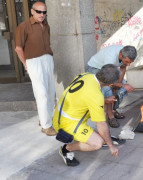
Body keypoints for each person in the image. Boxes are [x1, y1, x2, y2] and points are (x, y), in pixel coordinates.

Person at [53, 64, 120, 166]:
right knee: (98, 143)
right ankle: (66, 149)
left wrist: (104, 100)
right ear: (111, 84)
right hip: (66, 124)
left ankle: (105, 137)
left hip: (59, 115)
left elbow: (83, 95)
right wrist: (111, 146)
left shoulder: (85, 75)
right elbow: (101, 123)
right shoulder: (96, 96)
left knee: (103, 111)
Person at [15, 2, 56, 136]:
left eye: (44, 12)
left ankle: (45, 118)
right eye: (39, 12)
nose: (42, 15)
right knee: (41, 93)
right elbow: (18, 48)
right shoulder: (23, 27)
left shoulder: (46, 26)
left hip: (47, 59)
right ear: (32, 11)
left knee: (50, 92)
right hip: (34, 61)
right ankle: (46, 126)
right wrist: (25, 63)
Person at [87, 45, 137, 128]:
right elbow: (107, 80)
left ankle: (113, 109)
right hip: (95, 69)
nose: (128, 64)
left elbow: (123, 68)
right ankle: (111, 117)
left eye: (130, 62)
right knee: (107, 89)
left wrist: (118, 85)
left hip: (108, 70)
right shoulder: (110, 58)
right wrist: (120, 85)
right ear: (120, 55)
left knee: (121, 89)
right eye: (127, 61)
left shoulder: (125, 53)